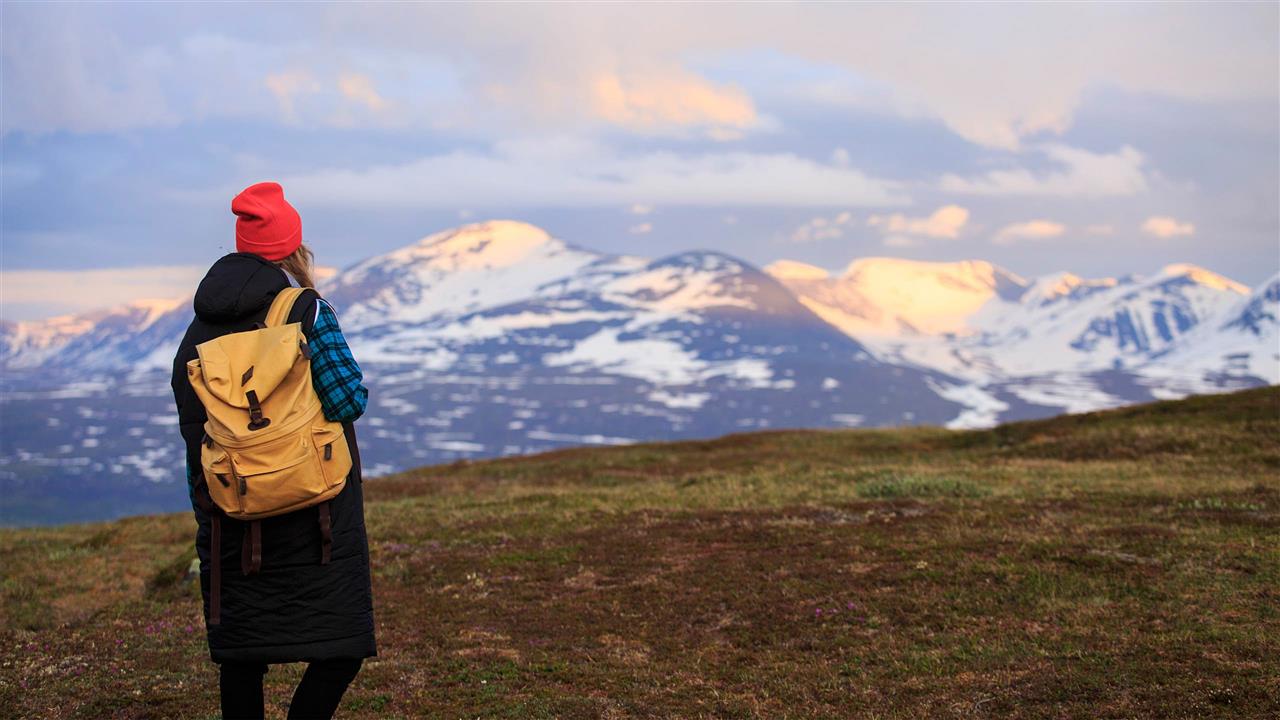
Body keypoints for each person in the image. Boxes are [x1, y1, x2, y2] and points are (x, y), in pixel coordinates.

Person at [170, 182, 376, 720]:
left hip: (233, 511)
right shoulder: (304, 311)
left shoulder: (198, 332)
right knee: (341, 646)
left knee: (244, 658)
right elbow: (347, 399)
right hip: (317, 512)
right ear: (292, 247)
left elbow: (196, 432)